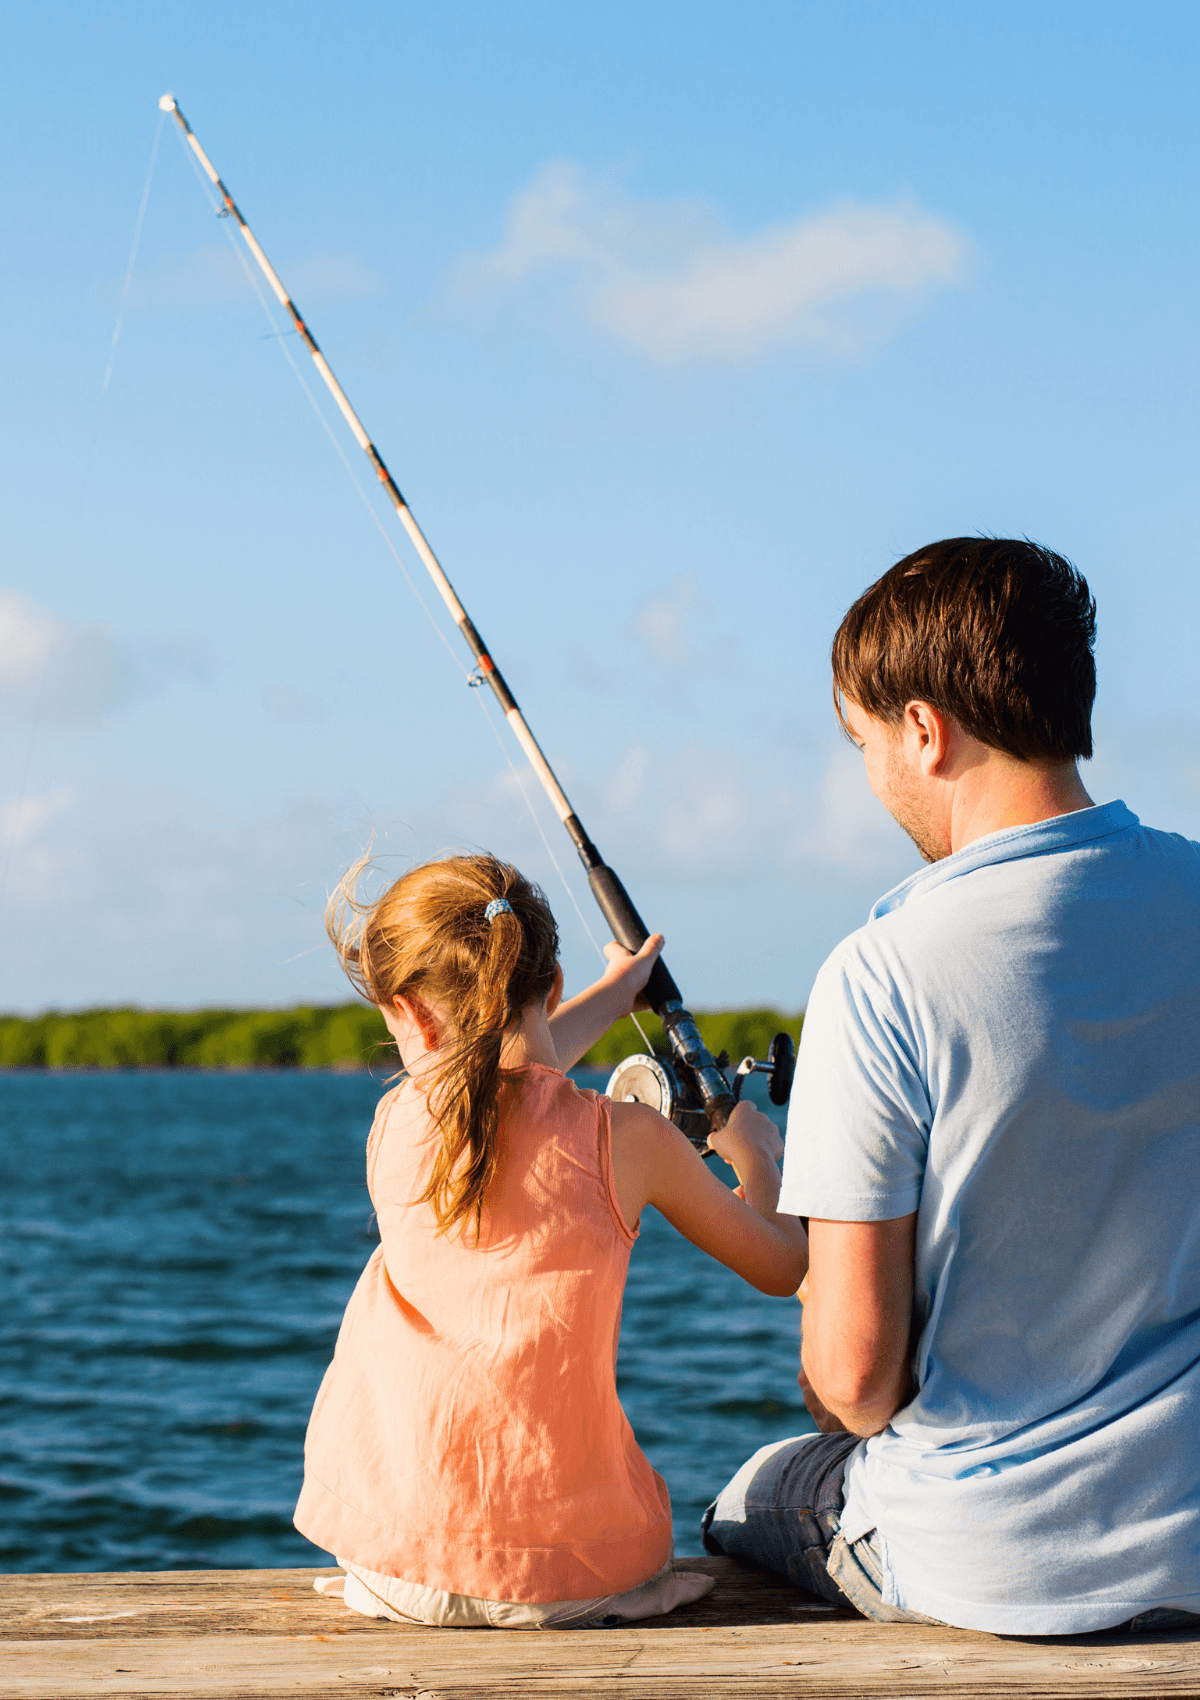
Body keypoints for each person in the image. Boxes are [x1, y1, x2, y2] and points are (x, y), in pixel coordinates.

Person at [703, 536, 1200, 1634]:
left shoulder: (881, 972)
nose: (871, 771)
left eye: (862, 738)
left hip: (993, 1563)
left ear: (923, 728)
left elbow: (856, 1383)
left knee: (743, 1495)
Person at [295, 851, 807, 1629]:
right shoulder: (630, 1139)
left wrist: (617, 994)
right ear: (551, 986)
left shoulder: (396, 1121)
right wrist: (758, 1159)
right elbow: (782, 1264)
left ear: (409, 1014)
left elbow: (486, 1081)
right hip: (579, 1578)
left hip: (393, 1564)